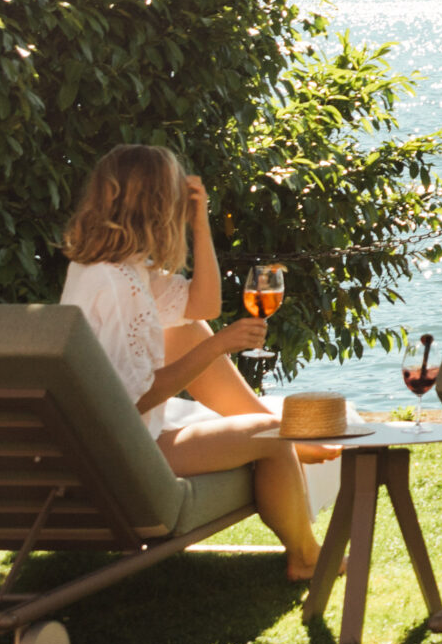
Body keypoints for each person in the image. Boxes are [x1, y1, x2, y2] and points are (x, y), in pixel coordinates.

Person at [61, 144, 324, 579]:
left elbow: (203, 307)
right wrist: (218, 346)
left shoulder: (113, 269)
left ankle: (284, 443)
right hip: (119, 456)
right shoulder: (116, 284)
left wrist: (202, 226)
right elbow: (131, 400)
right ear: (159, 206)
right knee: (272, 435)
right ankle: (306, 557)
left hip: (102, 442)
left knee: (185, 329)